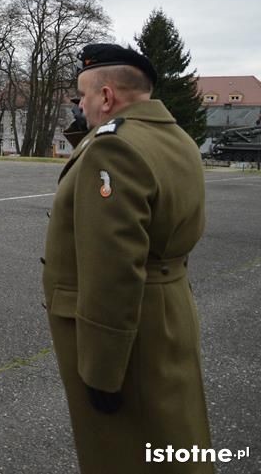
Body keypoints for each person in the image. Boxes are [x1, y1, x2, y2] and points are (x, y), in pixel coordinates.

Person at [43, 44, 213, 473]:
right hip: (169, 308)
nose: (80, 106)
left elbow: (112, 271)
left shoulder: (112, 149)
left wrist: (102, 370)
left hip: (129, 333)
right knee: (175, 437)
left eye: (83, 96)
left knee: (123, 451)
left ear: (106, 96)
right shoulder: (177, 139)